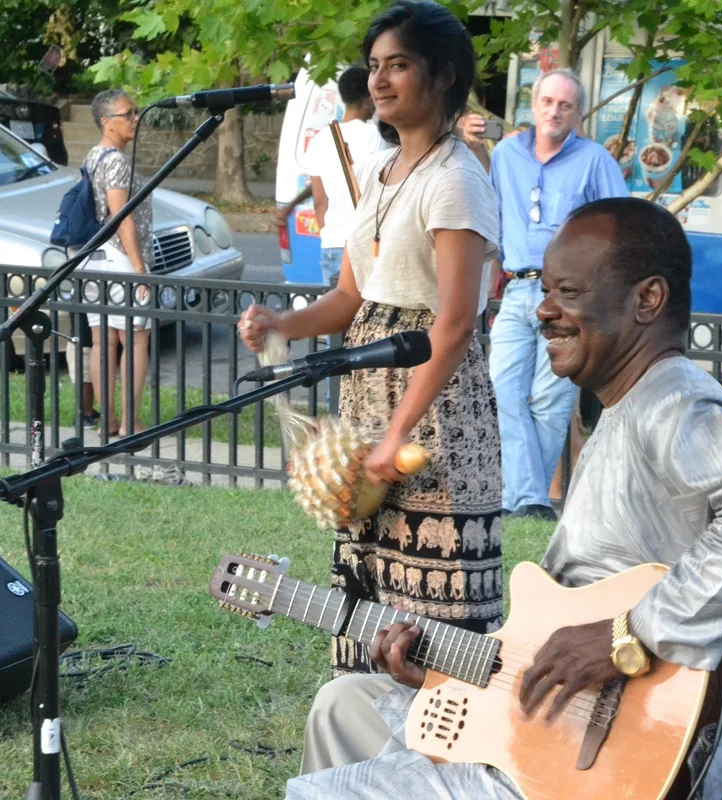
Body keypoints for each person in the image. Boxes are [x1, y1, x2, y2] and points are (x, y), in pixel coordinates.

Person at [285, 197, 722, 800]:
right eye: (545, 290)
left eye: (568, 291)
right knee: (344, 704)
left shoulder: (676, 403)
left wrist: (631, 634)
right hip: (554, 722)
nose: (543, 310)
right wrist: (443, 671)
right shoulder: (628, 404)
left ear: (647, 300)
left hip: (616, 758)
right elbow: (565, 623)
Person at [238, 0, 504, 676]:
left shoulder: (455, 180)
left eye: (399, 66)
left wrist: (397, 433)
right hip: (370, 397)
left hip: (432, 407)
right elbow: (353, 298)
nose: (380, 81)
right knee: (371, 588)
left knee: (433, 618)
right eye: (375, 67)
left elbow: (452, 323)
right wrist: (282, 324)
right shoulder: (385, 174)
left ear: (442, 75)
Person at [487, 68, 628, 521]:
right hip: (517, 287)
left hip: (570, 296)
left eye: (565, 105)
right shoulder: (506, 153)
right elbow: (492, 216)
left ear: (578, 112)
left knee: (550, 401)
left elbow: (619, 225)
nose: (555, 111)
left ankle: (520, 502)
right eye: (548, 102)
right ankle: (527, 498)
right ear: (534, 104)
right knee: (501, 389)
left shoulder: (594, 161)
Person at [274, 66, 387, 286]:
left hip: (332, 243)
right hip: (364, 243)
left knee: (335, 314)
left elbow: (319, 199)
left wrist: (328, 233)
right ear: (368, 99)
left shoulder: (321, 139)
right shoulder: (375, 136)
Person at [83, 89, 153, 439]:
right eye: (128, 114)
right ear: (107, 122)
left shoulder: (93, 156)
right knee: (136, 340)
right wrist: (140, 268)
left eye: (135, 111)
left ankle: (107, 420)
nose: (135, 118)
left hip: (95, 259)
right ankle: (130, 423)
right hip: (120, 259)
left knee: (103, 341)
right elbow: (121, 216)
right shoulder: (116, 160)